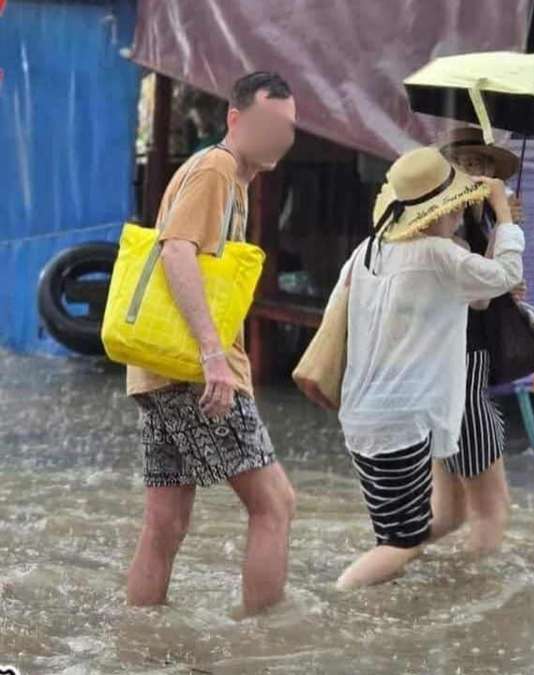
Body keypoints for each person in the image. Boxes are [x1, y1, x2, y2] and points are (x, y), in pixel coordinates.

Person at [125, 72, 298, 615]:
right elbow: (177, 251)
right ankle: (262, 647)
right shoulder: (218, 168)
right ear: (235, 119)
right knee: (275, 504)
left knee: (166, 522)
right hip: (195, 372)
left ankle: (140, 637)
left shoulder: (231, 179)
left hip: (161, 370)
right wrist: (213, 356)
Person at [335, 147, 525, 590]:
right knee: (402, 543)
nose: (460, 213)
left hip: (363, 414)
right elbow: (505, 276)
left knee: (417, 527)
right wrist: (505, 215)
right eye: (455, 205)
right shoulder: (440, 255)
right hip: (402, 419)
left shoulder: (368, 251)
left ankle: (407, 594)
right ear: (438, 211)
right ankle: (336, 601)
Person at [415, 127, 526, 556]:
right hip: (459, 382)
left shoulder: (464, 230)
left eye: (484, 167)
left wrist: (500, 233)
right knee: (492, 509)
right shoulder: (445, 235)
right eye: (466, 165)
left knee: (449, 515)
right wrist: (506, 220)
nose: (477, 175)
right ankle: (471, 591)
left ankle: (390, 561)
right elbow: (479, 298)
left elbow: (488, 289)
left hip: (448, 379)